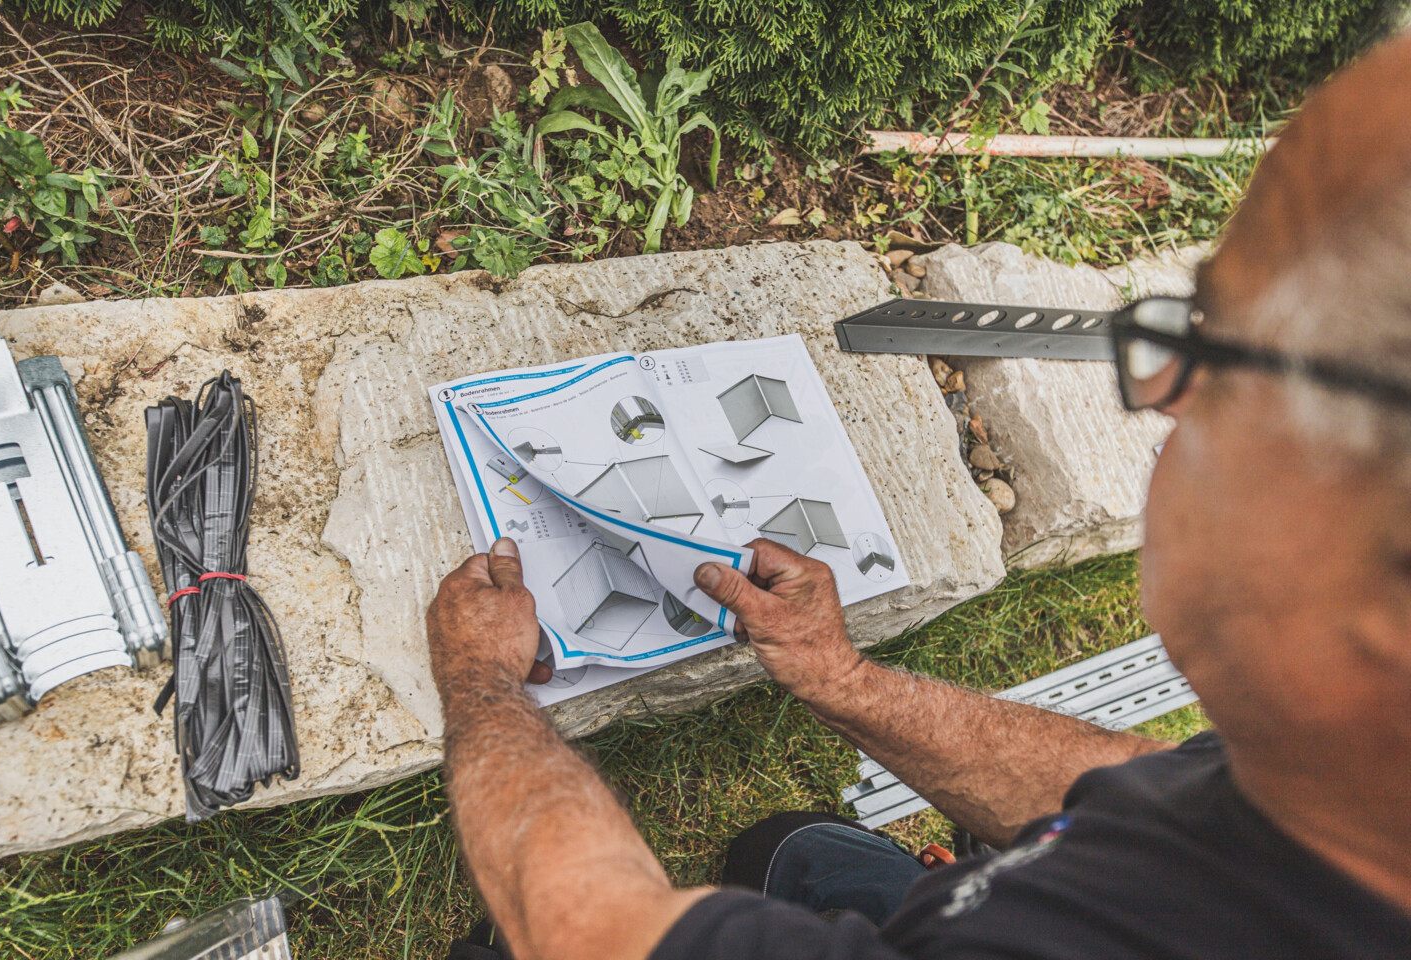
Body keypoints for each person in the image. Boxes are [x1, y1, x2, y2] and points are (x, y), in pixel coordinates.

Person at [424, 32, 1411, 960]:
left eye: (1208, 361)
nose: (1164, 413)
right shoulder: (1353, 779)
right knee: (796, 856)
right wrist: (837, 678)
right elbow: (1153, 793)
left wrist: (481, 683)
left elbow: (595, 929)